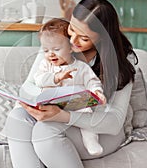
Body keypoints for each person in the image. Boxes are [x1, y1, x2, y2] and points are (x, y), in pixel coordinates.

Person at [4, 0, 138, 168]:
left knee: (45, 131)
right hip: (59, 117)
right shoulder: (57, 42)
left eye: (84, 38)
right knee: (17, 118)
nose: (73, 41)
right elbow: (29, 86)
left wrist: (63, 116)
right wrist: (39, 103)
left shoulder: (120, 60)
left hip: (99, 130)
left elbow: (114, 122)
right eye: (72, 30)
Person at [34, 18, 106, 155]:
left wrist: (97, 91)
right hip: (52, 104)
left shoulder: (81, 66)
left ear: (71, 47)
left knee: (87, 113)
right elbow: (39, 80)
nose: (51, 54)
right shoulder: (46, 65)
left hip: (75, 104)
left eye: (56, 49)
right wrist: (56, 77)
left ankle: (91, 141)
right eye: (46, 50)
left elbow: (92, 81)